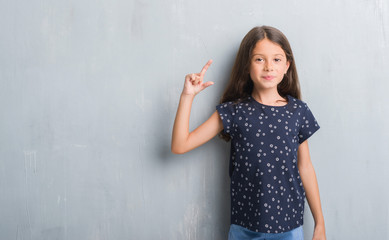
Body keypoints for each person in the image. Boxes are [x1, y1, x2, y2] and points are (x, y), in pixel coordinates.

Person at [171, 25, 326, 240]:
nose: (269, 67)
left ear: (287, 65)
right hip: (244, 229)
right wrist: (187, 96)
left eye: (277, 59)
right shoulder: (234, 111)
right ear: (247, 66)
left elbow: (305, 167)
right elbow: (180, 145)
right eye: (259, 59)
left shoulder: (298, 111)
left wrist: (320, 224)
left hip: (289, 228)